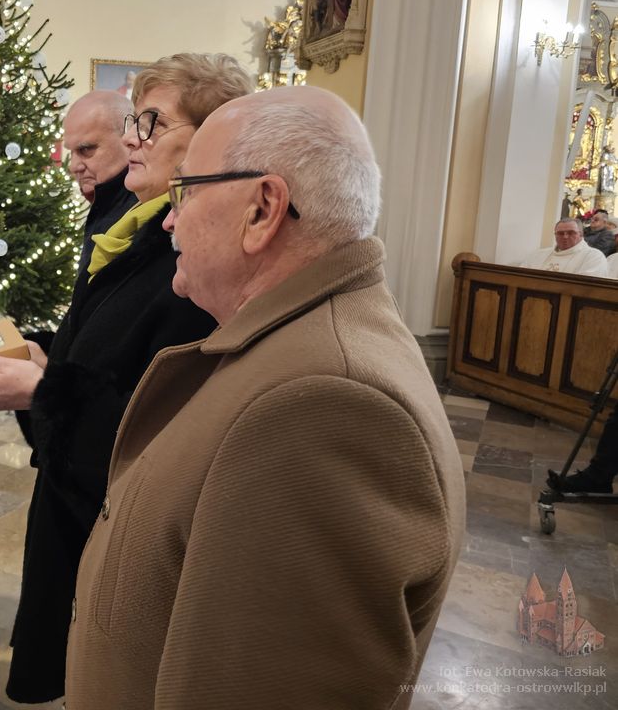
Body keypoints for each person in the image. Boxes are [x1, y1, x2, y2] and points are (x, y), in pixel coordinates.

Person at [65, 86, 466, 709]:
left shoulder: (323, 404)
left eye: (185, 192)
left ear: (262, 209)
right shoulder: (296, 347)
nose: (169, 220)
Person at [0, 53, 251, 704]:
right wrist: (33, 354)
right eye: (135, 121)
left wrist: (43, 391)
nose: (133, 139)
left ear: (214, 141)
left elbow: (164, 429)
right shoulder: (134, 232)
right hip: (78, 496)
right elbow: (98, 346)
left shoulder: (195, 263)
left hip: (116, 516)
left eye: (151, 123)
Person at [63, 90, 136, 272]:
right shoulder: (105, 202)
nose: (73, 166)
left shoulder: (144, 212)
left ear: (128, 138)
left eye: (86, 149)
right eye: (71, 152)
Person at [514, 218, 609, 277]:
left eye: (571, 233)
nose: (565, 236)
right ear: (555, 234)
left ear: (581, 234)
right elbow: (520, 277)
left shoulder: (594, 257)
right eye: (560, 233)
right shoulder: (538, 255)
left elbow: (587, 288)